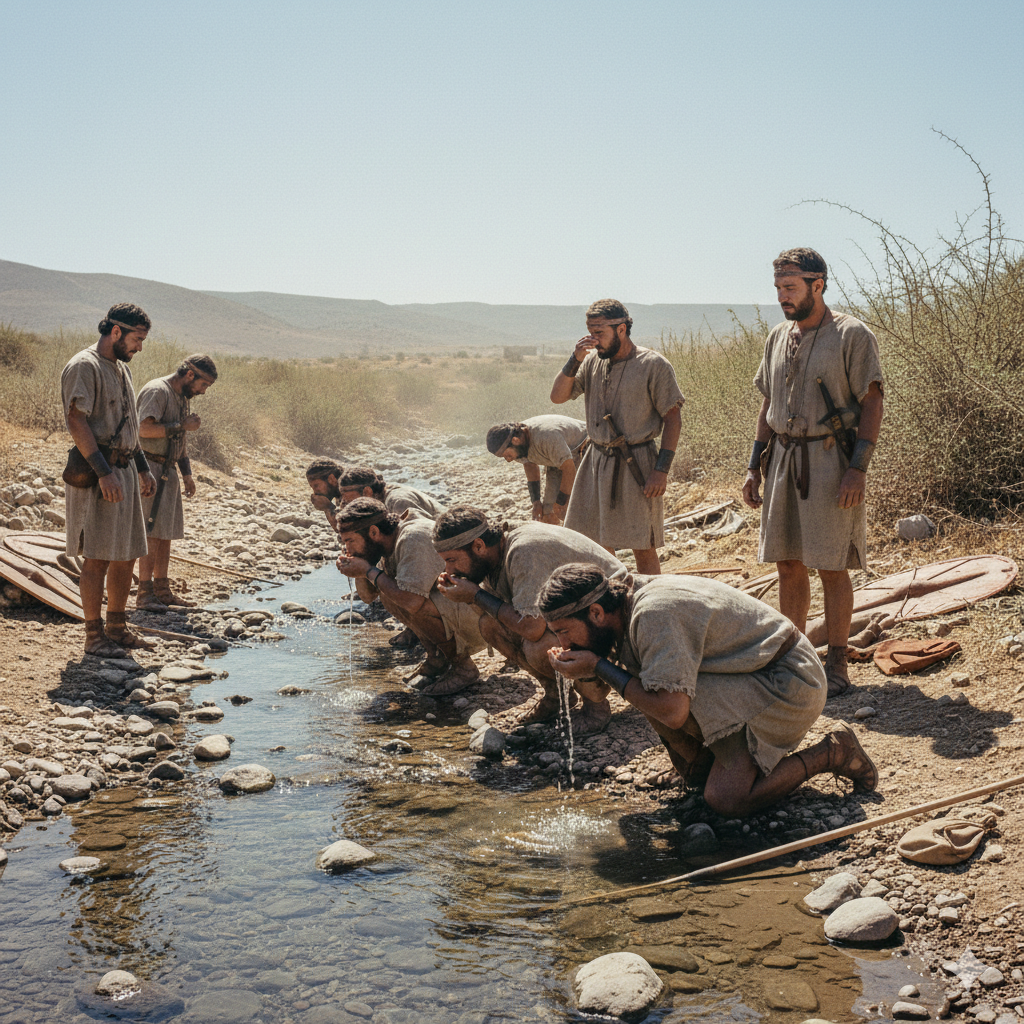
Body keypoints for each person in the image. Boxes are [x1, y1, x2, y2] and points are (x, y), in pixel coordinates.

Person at [539, 563, 878, 816]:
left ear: (595, 612)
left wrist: (597, 666)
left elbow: (672, 712)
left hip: (790, 680)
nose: (561, 642)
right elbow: (601, 693)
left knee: (726, 800)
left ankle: (832, 751)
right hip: (748, 672)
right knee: (655, 690)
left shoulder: (653, 615)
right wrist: (585, 669)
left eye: (564, 631)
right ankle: (701, 763)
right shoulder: (617, 608)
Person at [741, 248, 884, 697]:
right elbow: (768, 404)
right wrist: (753, 466)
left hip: (830, 460)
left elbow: (872, 401)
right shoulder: (778, 336)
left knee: (832, 563)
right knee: (788, 563)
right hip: (783, 459)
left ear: (817, 284)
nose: (783, 296)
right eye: (779, 288)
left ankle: (837, 664)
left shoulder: (851, 334)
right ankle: (796, 659)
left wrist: (857, 469)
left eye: (791, 287)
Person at [433, 506, 626, 733]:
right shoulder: (493, 554)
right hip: (580, 618)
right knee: (490, 626)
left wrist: (474, 594)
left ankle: (596, 706)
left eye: (452, 559)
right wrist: (469, 597)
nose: (449, 568)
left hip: (612, 622)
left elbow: (532, 628)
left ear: (478, 546)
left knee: (539, 646)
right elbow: (498, 615)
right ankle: (555, 694)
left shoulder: (524, 551)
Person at [550, 299, 683, 575]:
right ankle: (612, 600)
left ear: (621, 329)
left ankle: (652, 602)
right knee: (595, 542)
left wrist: (661, 470)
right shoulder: (591, 364)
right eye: (590, 332)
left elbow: (673, 419)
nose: (593, 340)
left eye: (599, 333)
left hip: (637, 462)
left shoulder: (653, 364)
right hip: (595, 461)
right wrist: (575, 359)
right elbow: (557, 396)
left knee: (642, 544)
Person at [61, 303, 158, 656]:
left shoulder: (122, 370)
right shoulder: (84, 366)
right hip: (98, 472)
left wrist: (143, 468)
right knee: (98, 556)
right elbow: (76, 421)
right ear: (115, 331)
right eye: (137, 339)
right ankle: (93, 636)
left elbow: (130, 426)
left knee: (126, 552)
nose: (139, 347)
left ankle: (117, 627)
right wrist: (104, 473)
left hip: (126, 469)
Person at [333, 499, 486, 695]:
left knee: (410, 600)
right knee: (389, 593)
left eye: (349, 541)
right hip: (462, 608)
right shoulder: (383, 544)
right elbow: (368, 596)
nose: (348, 548)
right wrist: (360, 571)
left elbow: (413, 602)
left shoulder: (413, 537)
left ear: (373, 532)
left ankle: (463, 668)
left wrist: (368, 570)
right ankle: (437, 658)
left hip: (484, 616)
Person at [135, 354, 218, 611]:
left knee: (165, 533)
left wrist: (187, 473)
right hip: (149, 469)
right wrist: (180, 425)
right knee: (150, 534)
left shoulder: (182, 397)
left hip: (168, 469)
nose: (203, 392)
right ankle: (144, 593)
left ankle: (162, 589)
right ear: (190, 375)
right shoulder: (157, 391)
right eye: (203, 385)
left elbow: (179, 439)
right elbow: (142, 430)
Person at [485, 415, 587, 525]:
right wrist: (536, 502)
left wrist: (562, 501)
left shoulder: (546, 437)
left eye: (507, 455)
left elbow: (569, 469)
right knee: (548, 513)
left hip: (584, 448)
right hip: (556, 460)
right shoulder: (518, 444)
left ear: (515, 440)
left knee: (571, 508)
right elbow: (530, 465)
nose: (508, 460)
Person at [305, 458, 347, 532]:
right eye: (312, 487)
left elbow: (345, 527)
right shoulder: (340, 491)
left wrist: (327, 507)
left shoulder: (350, 490)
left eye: (316, 485)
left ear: (331, 479)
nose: (315, 492)